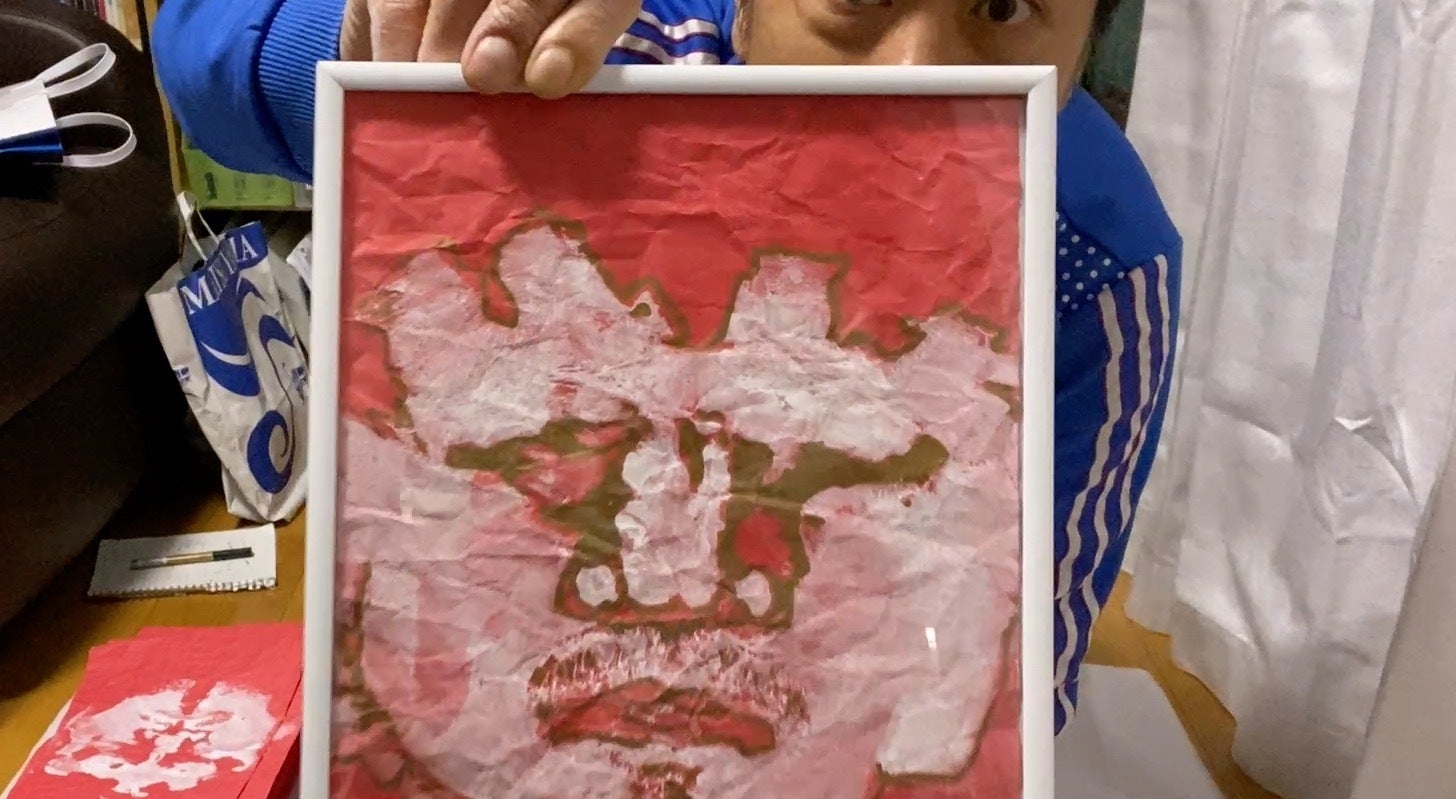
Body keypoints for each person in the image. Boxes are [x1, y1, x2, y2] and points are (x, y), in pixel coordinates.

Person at [153, 0, 1181, 732]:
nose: (919, 77)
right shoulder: (596, 65)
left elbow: (1012, 697)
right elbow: (200, 58)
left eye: (1004, 8)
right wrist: (387, 38)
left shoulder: (1088, 260)